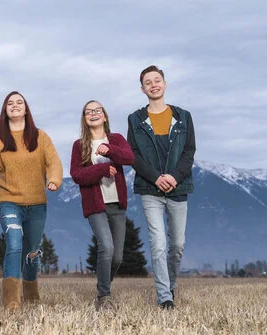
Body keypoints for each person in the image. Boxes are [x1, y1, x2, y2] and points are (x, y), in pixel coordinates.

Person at [127, 65, 195, 309]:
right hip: (150, 190)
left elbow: (189, 152)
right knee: (158, 243)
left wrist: (175, 176)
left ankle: (171, 286)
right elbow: (133, 155)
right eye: (148, 82)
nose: (153, 85)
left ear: (165, 84)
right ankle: (165, 298)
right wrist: (156, 178)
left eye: (157, 80)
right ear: (143, 89)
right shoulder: (135, 120)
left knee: (176, 246)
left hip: (179, 188)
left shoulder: (184, 117)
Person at [0, 91, 63, 311]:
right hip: (8, 200)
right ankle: (11, 300)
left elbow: (54, 162)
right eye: (10, 103)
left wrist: (55, 180)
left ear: (26, 108)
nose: (15, 105)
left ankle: (31, 295)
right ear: (5, 110)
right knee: (14, 244)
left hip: (37, 202)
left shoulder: (40, 137)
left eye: (19, 102)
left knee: (32, 250)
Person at [70, 100, 134, 311]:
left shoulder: (116, 139)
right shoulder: (79, 146)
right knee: (106, 247)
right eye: (88, 111)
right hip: (95, 205)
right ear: (85, 119)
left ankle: (104, 283)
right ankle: (103, 297)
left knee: (117, 257)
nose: (93, 113)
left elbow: (128, 157)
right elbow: (77, 175)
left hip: (117, 203)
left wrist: (109, 151)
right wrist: (102, 170)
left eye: (97, 110)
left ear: (105, 116)